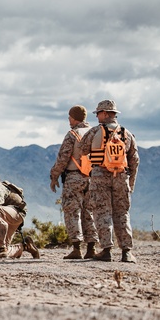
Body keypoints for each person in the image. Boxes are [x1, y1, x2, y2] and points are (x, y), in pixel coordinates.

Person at [78, 99, 139, 263]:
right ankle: (126, 252)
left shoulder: (94, 132)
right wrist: (130, 182)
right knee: (122, 213)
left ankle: (106, 250)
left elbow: (82, 149)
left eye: (98, 113)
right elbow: (135, 161)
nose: (97, 116)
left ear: (105, 113)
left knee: (101, 212)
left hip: (99, 176)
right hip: (121, 176)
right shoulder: (127, 134)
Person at [50, 105, 99, 259]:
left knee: (72, 212)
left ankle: (76, 248)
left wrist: (54, 176)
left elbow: (63, 158)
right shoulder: (96, 133)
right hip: (94, 178)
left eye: (70, 117)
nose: (69, 120)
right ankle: (92, 248)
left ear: (73, 117)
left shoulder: (73, 134)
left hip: (74, 177)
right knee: (89, 212)